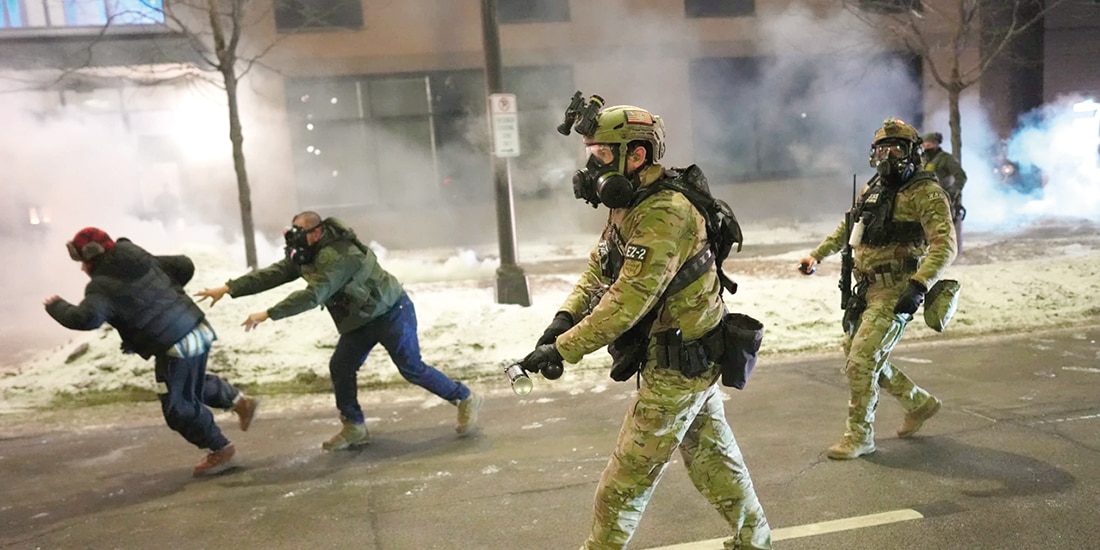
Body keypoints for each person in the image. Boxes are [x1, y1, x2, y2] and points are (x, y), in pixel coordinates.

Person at [520, 98, 771, 550]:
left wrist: (563, 349)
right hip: (680, 359)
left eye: (601, 154)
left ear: (635, 155)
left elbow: (626, 303)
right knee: (713, 461)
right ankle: (756, 540)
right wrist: (562, 321)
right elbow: (600, 269)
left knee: (621, 488)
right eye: (590, 154)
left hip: (680, 367)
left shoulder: (665, 212)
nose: (591, 167)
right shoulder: (630, 202)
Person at [194, 212, 482, 450]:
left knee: (412, 368)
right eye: (292, 232)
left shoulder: (338, 255)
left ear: (317, 232)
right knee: (341, 367)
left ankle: (464, 397)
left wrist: (269, 314)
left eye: (300, 232)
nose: (295, 238)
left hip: (391, 312)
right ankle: (354, 426)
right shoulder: (307, 253)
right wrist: (229, 288)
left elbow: (314, 295)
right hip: (359, 321)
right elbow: (274, 274)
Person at [44, 227, 259, 477]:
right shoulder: (140, 258)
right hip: (197, 327)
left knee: (178, 408)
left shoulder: (100, 287)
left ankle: (220, 449)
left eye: (82, 262)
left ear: (92, 257)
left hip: (174, 344)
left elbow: (87, 318)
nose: (82, 268)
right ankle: (240, 402)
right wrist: (165, 293)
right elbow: (184, 265)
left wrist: (56, 306)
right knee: (189, 383)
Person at [799, 119, 957, 460]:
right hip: (866, 290)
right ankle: (918, 403)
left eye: (896, 149)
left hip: (897, 290)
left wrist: (920, 284)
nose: (888, 157)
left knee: (861, 360)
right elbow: (849, 226)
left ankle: (859, 436)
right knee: (857, 352)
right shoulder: (874, 188)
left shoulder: (925, 192)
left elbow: (945, 245)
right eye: (882, 150)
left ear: (911, 152)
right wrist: (817, 255)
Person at [921, 131, 968, 252]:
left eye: (929, 144)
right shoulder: (922, 160)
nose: (926, 147)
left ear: (936, 144)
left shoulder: (946, 159)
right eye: (925, 144)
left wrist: (952, 193)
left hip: (941, 200)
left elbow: (961, 177)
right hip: (923, 201)